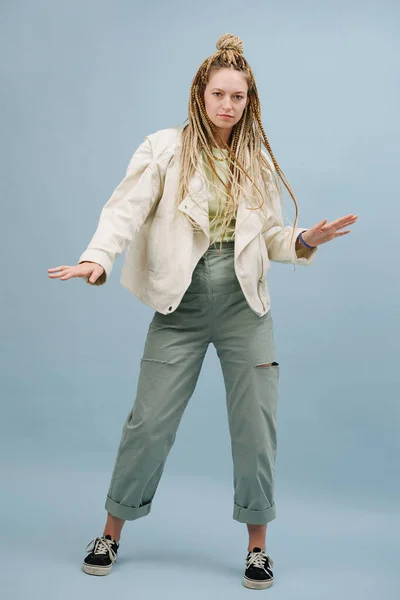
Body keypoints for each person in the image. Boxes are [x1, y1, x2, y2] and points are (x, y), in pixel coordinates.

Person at [48, 33, 357, 590]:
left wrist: (305, 238)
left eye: (238, 97)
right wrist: (96, 258)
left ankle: (258, 548)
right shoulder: (165, 148)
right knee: (148, 424)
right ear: (200, 92)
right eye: (219, 93)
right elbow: (126, 209)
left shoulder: (255, 160)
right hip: (181, 303)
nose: (227, 105)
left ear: (249, 102)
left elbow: (267, 237)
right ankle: (111, 533)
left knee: (256, 428)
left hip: (245, 305)